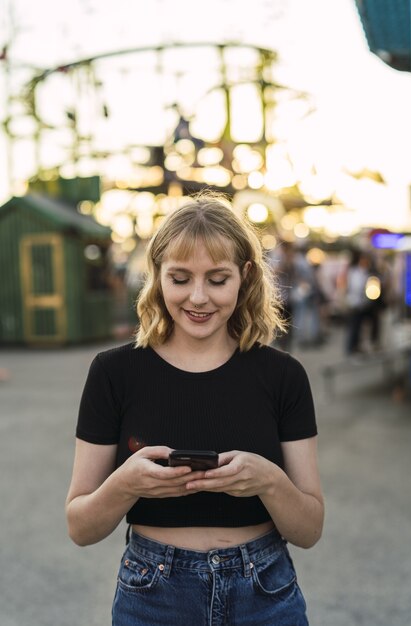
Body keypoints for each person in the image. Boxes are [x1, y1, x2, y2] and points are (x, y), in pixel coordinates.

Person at [66, 191, 324, 626]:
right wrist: (125, 485)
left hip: (265, 592)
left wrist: (269, 481)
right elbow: (80, 528)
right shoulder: (113, 372)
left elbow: (310, 530)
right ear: (157, 274)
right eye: (180, 278)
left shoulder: (284, 376)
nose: (199, 298)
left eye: (217, 279)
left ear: (245, 275)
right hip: (152, 594)